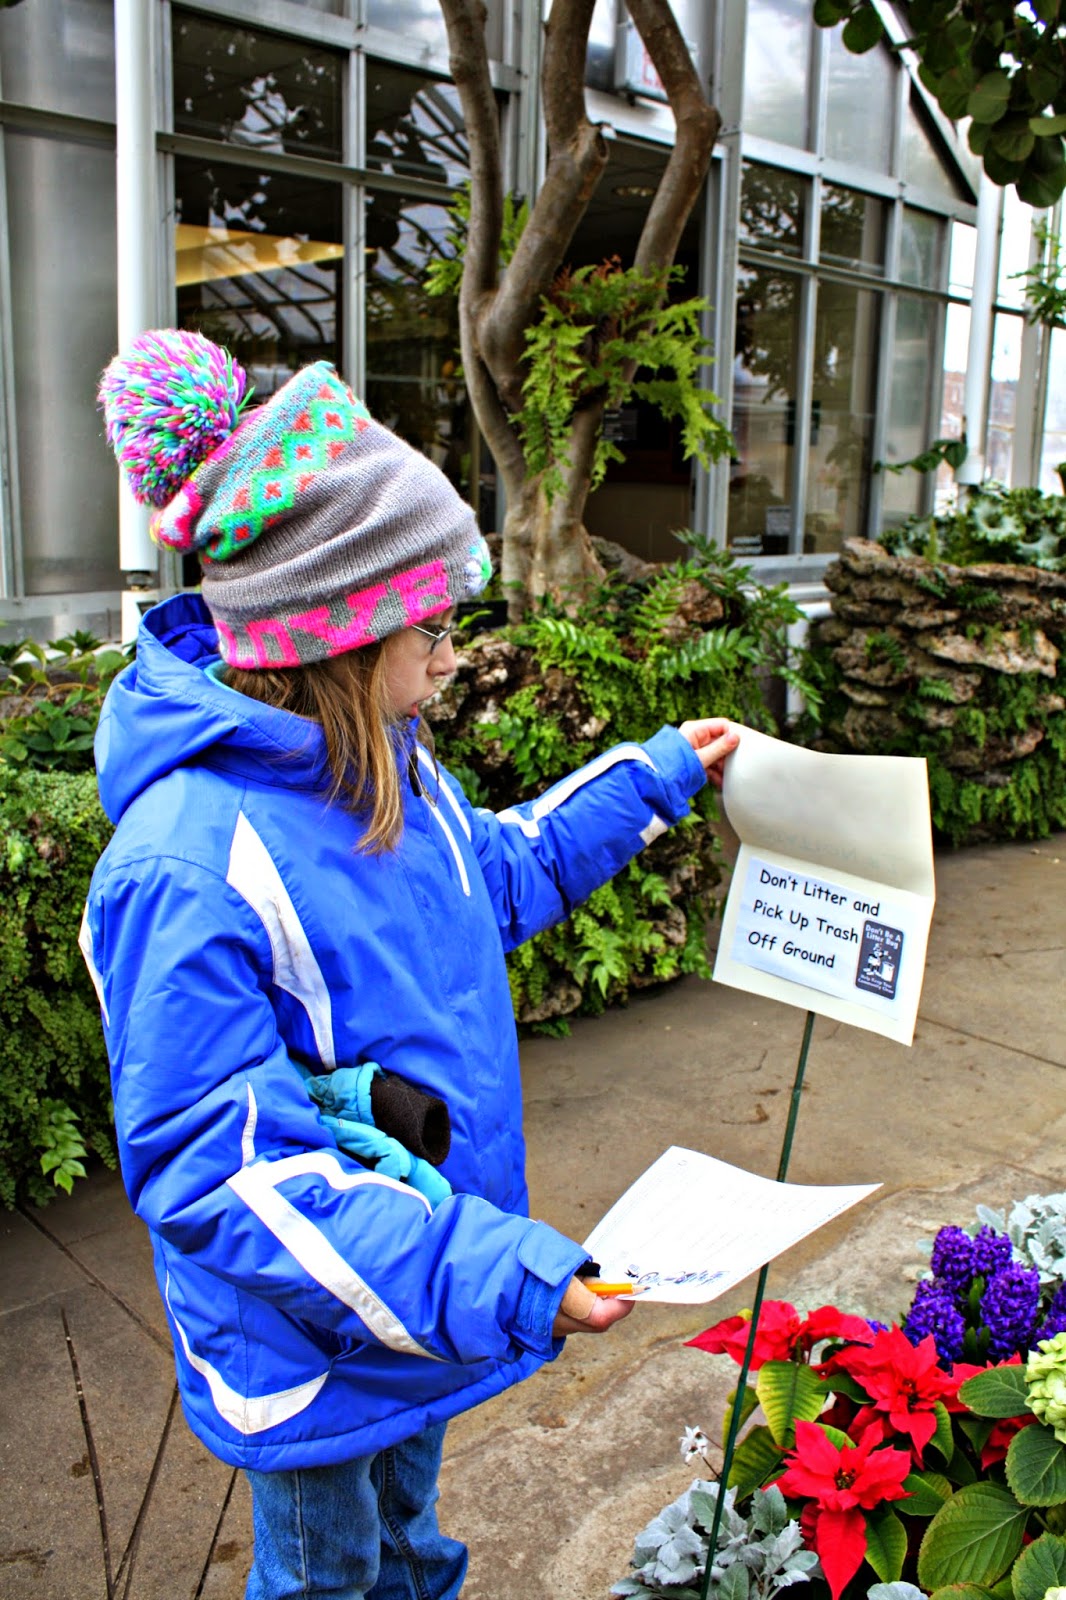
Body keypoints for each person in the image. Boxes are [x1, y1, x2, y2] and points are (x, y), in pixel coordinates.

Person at [81, 329, 740, 1600]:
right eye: (429, 625)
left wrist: (653, 777)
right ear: (336, 633)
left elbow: (488, 878)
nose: (450, 654)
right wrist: (499, 1276)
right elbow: (225, 1174)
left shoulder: (383, 763)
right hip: (316, 1331)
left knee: (414, 1546)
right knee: (331, 1572)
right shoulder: (186, 864)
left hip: (425, 1287)